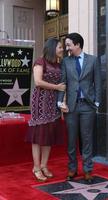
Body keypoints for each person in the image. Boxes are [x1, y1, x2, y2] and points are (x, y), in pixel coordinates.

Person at [58, 32, 102, 183]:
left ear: (77, 44)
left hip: (88, 106)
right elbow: (62, 83)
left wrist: (97, 102)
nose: (67, 47)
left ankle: (88, 170)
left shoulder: (93, 60)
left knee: (87, 139)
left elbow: (98, 82)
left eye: (69, 44)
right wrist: (59, 102)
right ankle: (72, 169)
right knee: (71, 140)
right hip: (71, 106)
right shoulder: (65, 61)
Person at [26, 38, 66, 181]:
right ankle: (36, 167)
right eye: (60, 47)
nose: (62, 49)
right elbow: (38, 82)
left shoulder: (60, 64)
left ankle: (44, 165)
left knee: (49, 135)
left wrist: (62, 103)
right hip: (40, 103)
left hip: (53, 103)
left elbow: (63, 86)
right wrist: (57, 87)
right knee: (38, 135)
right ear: (52, 48)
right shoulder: (40, 61)